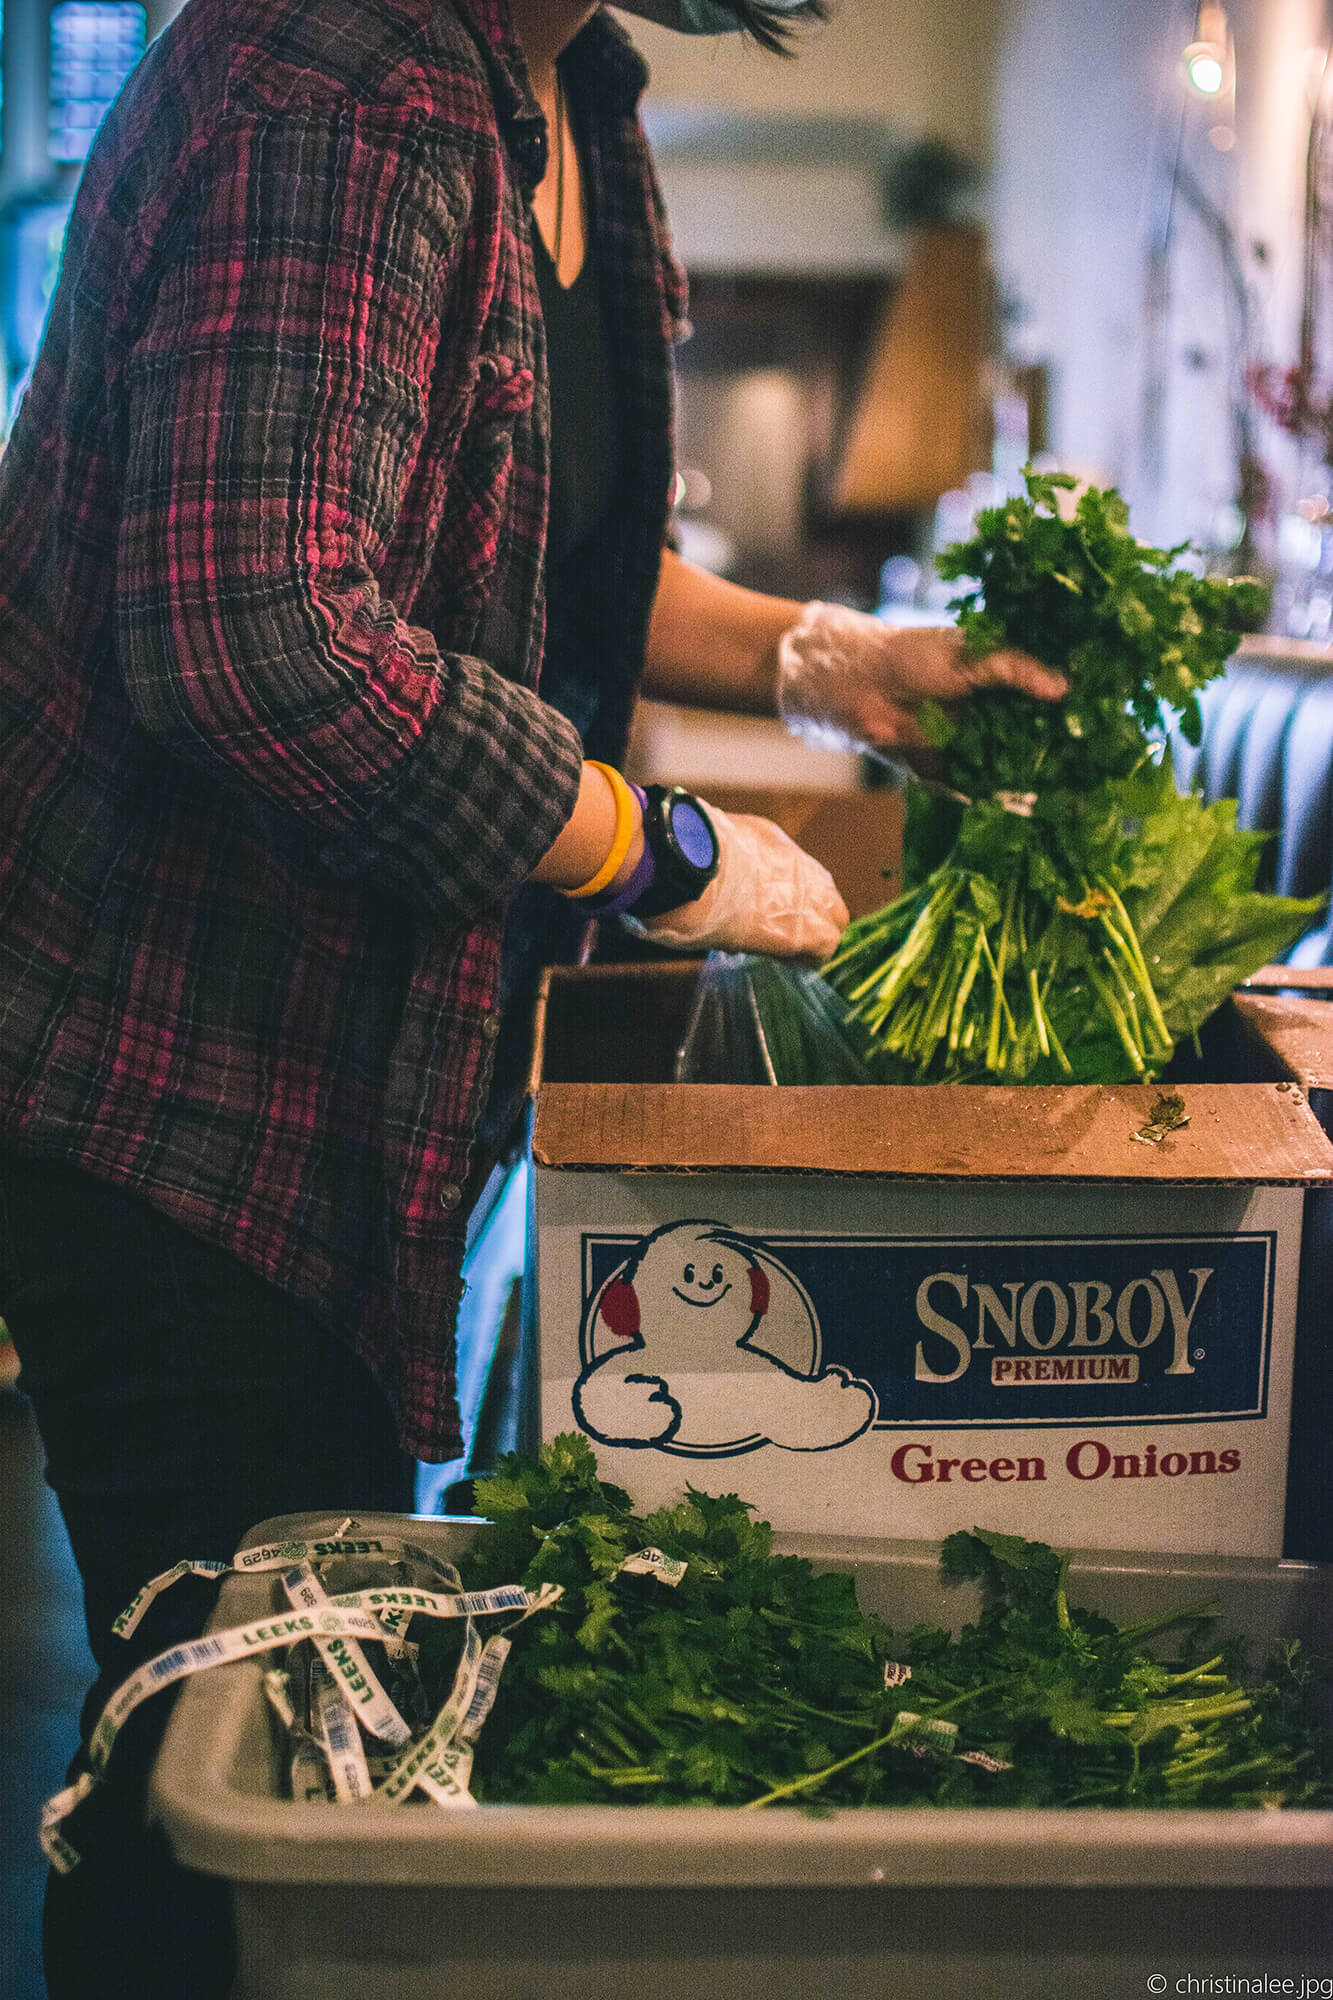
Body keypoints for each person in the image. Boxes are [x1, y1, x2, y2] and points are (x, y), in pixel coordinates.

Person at [0, 0, 1064, 1989]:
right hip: (180, 1084)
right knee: (213, 1760)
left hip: (356, 1084)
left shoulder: (564, 85)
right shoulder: (333, 76)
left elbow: (527, 563)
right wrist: (643, 848)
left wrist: (822, 657)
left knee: (308, 1704)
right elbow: (259, 639)